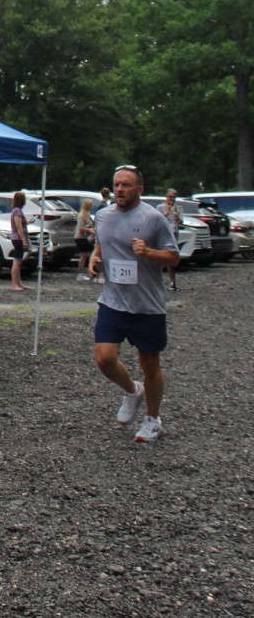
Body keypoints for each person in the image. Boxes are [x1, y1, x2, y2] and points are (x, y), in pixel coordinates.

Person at [88, 163, 180, 444]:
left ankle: (153, 419)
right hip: (113, 300)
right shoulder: (102, 216)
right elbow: (101, 243)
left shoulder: (154, 219)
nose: (120, 189)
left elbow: (174, 257)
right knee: (104, 358)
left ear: (140, 189)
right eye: (117, 184)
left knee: (149, 363)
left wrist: (148, 251)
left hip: (147, 304)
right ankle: (132, 390)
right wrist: (95, 257)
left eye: (126, 185)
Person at [159, 188, 181, 292]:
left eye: (174, 197)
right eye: (171, 197)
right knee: (161, 257)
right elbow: (157, 220)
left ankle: (173, 283)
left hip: (174, 233)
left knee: (172, 256)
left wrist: (178, 219)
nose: (172, 199)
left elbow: (181, 221)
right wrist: (166, 213)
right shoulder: (160, 207)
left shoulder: (178, 208)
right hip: (163, 233)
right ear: (167, 197)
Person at [8, 191, 31, 292]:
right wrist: (24, 241)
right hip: (18, 238)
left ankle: (19, 283)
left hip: (17, 238)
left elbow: (21, 223)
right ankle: (14, 284)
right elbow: (18, 226)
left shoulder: (17, 210)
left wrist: (27, 222)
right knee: (17, 262)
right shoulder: (17, 211)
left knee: (18, 261)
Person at [75, 198, 96, 281]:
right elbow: (80, 228)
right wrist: (90, 230)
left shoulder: (88, 215)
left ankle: (85, 272)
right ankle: (80, 274)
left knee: (86, 255)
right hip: (81, 238)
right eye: (91, 205)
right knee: (83, 256)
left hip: (86, 237)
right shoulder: (82, 216)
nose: (92, 206)